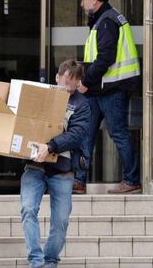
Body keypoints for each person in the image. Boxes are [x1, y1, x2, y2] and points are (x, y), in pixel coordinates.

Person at [20, 60, 90, 268]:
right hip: (35, 166)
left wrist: (50, 146)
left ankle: (50, 260)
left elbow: (76, 135)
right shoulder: (40, 96)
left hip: (62, 169)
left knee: (61, 221)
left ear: (78, 83)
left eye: (72, 84)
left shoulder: (82, 105)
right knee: (28, 209)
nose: (66, 87)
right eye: (64, 81)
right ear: (57, 77)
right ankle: (36, 260)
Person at [75, 0, 141, 194]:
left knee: (118, 133)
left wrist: (85, 82)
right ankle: (80, 180)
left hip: (110, 89)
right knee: (86, 133)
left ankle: (131, 181)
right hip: (101, 88)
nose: (82, 4)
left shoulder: (106, 21)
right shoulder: (104, 18)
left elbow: (105, 58)